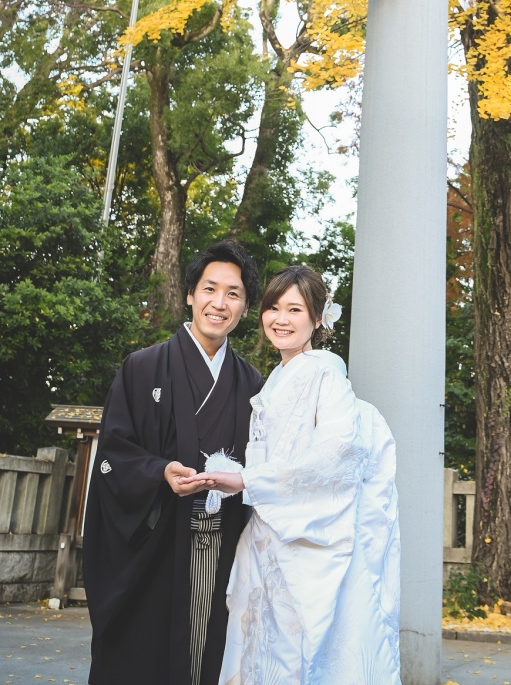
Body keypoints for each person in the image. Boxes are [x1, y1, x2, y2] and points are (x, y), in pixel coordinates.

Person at [185, 264, 401, 685]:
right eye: (273, 308)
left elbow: (339, 453)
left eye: (295, 310)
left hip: (306, 535)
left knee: (295, 653)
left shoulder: (323, 371)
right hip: (270, 533)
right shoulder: (276, 379)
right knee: (263, 647)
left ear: (318, 319)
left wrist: (249, 481)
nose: (280, 320)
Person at [83, 239, 264, 685]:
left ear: (244, 308)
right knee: (142, 658)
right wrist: (159, 471)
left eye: (233, 294)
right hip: (155, 547)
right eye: (209, 289)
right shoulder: (142, 368)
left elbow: (267, 468)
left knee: (207, 655)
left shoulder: (254, 383)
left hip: (221, 549)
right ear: (190, 294)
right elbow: (113, 454)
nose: (219, 303)